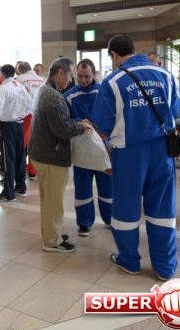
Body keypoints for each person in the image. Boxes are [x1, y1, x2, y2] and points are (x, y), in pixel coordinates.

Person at [92, 34, 180, 280]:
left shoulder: (113, 82)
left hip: (129, 153)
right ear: (133, 49)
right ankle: (165, 266)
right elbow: (173, 111)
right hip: (163, 151)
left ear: (114, 55)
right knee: (163, 208)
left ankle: (130, 261)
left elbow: (103, 123)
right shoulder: (165, 75)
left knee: (126, 208)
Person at [28, 57, 89, 253]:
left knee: (49, 200)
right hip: (50, 156)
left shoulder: (45, 90)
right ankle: (52, 241)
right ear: (60, 72)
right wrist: (81, 127)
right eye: (70, 75)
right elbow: (61, 129)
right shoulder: (53, 96)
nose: (71, 80)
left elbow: (58, 123)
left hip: (42, 153)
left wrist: (76, 123)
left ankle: (50, 234)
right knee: (54, 202)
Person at [63, 59, 113, 237]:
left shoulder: (104, 92)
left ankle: (110, 218)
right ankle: (84, 222)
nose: (83, 80)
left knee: (107, 185)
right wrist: (79, 121)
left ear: (95, 74)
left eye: (87, 76)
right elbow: (65, 119)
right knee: (82, 186)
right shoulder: (68, 96)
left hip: (104, 148)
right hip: (81, 148)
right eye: (79, 76)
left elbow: (113, 115)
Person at [0, 64, 34, 201]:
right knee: (20, 156)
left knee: (8, 158)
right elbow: (30, 104)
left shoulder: (3, 88)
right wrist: (21, 114)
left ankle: (8, 192)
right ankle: (21, 187)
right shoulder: (20, 86)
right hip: (19, 124)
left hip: (8, 125)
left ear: (2, 74)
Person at [15, 61, 46, 180]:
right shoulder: (42, 80)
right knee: (35, 143)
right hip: (40, 115)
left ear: (21, 71)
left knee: (21, 143)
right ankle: (33, 170)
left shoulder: (21, 79)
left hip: (26, 115)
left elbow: (17, 97)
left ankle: (19, 171)